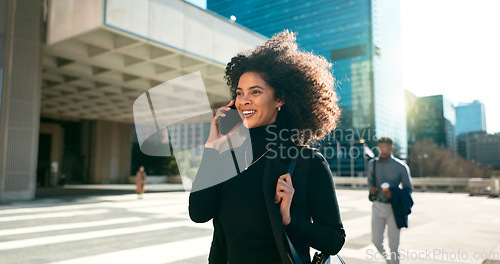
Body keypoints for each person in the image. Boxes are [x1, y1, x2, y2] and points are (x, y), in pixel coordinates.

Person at [188, 31, 345, 264]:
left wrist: (289, 220)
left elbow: (334, 240)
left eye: (256, 92)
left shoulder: (307, 161)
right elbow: (198, 214)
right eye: (239, 93)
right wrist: (212, 148)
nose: (244, 101)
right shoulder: (228, 156)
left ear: (280, 98)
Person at [368, 137, 413, 264]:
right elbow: (370, 181)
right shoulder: (373, 164)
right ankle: (389, 261)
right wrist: (371, 189)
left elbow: (408, 188)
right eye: (380, 147)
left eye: (385, 147)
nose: (382, 150)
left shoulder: (401, 167)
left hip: (394, 207)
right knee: (376, 241)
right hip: (377, 205)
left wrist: (393, 193)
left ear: (391, 148)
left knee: (394, 246)